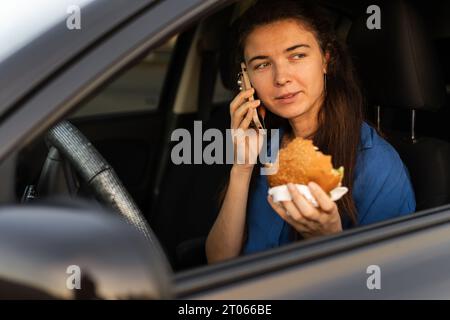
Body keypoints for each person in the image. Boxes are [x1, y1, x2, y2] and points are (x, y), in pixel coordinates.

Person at [205, 0, 415, 263]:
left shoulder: (377, 165)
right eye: (262, 65)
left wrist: (328, 241)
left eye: (297, 56)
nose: (281, 77)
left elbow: (385, 285)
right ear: (246, 78)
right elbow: (218, 262)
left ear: (326, 60)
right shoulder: (264, 148)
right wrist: (241, 168)